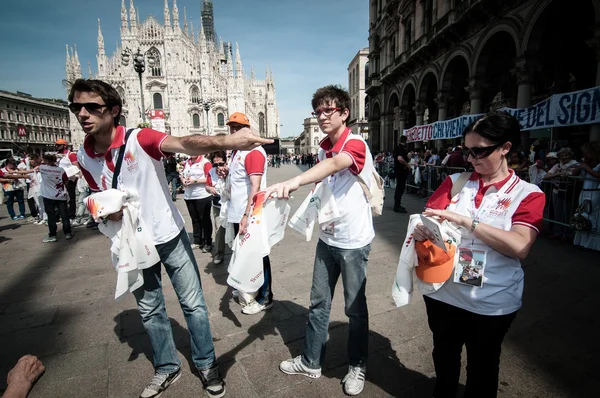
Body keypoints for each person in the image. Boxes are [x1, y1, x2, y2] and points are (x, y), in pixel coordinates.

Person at [69, 78, 272, 398]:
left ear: (113, 110)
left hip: (169, 234)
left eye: (92, 106)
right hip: (131, 241)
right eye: (76, 107)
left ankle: (206, 362)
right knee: (149, 308)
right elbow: (96, 194)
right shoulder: (84, 156)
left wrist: (230, 141)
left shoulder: (140, 138)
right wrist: (106, 211)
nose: (83, 113)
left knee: (192, 303)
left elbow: (186, 142)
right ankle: (166, 366)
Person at [413, 112, 545, 398]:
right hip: (443, 292)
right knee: (444, 358)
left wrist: (466, 222)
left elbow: (520, 246)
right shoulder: (455, 182)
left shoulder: (528, 193)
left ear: (505, 148)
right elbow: (428, 219)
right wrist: (423, 231)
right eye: (466, 151)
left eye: (480, 151)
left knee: (483, 369)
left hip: (491, 300)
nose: (471, 158)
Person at [268, 85, 375, 396]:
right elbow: (324, 180)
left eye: (329, 110)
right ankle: (311, 360)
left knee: (355, 309)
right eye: (318, 111)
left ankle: (358, 364)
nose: (322, 116)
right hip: (328, 238)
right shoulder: (321, 147)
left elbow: (332, 166)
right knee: (318, 303)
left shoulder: (354, 144)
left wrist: (295, 179)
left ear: (344, 112)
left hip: (354, 240)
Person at [225, 112, 273, 315]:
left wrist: (246, 215)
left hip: (251, 214)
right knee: (242, 254)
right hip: (238, 212)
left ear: (248, 129)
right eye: (231, 127)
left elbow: (254, 186)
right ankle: (247, 288)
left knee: (258, 255)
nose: (234, 131)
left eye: (238, 127)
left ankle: (265, 297)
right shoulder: (238, 151)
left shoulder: (253, 151)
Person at [543, 147, 579, 240]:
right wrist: (557, 174)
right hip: (556, 191)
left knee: (568, 212)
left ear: (570, 156)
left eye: (566, 155)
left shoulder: (575, 164)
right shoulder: (557, 166)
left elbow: (572, 175)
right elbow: (546, 176)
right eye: (562, 155)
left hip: (569, 192)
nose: (564, 157)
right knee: (557, 212)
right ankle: (558, 232)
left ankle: (568, 234)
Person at [181, 155, 213, 252]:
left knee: (205, 220)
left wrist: (195, 181)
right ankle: (197, 241)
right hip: (189, 196)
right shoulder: (187, 162)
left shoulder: (205, 162)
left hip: (202, 195)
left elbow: (210, 178)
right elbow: (182, 174)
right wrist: (183, 180)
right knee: (195, 220)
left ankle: (208, 242)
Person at [572, 142, 600, 251]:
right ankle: (582, 240)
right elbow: (574, 174)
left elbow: (598, 176)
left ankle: (593, 242)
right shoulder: (585, 163)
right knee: (581, 214)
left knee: (593, 216)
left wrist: (586, 168)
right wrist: (581, 166)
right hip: (584, 192)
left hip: (595, 192)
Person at [39, 152, 72, 242]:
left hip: (48, 196)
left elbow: (35, 167)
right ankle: (67, 233)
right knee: (64, 215)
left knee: (51, 216)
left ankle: (53, 235)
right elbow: (66, 181)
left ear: (45, 160)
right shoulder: (60, 170)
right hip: (60, 195)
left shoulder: (42, 168)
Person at [206, 151, 228, 264]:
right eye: (215, 164)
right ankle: (219, 253)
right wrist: (210, 189)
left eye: (221, 163)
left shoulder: (230, 170)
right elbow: (207, 186)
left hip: (231, 204)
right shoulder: (211, 172)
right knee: (219, 229)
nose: (218, 167)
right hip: (217, 204)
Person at [55, 138, 79, 219]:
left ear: (64, 145)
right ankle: (61, 213)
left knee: (71, 197)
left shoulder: (70, 154)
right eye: (56, 145)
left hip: (69, 179)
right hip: (58, 179)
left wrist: (75, 176)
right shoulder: (56, 155)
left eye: (59, 145)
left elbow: (76, 166)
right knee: (59, 197)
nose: (57, 146)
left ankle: (71, 215)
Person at [393, 135, 410, 213]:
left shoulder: (397, 148)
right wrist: (407, 164)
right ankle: (397, 206)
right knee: (400, 188)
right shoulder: (401, 149)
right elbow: (400, 158)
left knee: (399, 188)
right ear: (405, 141)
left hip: (398, 170)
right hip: (401, 171)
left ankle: (397, 204)